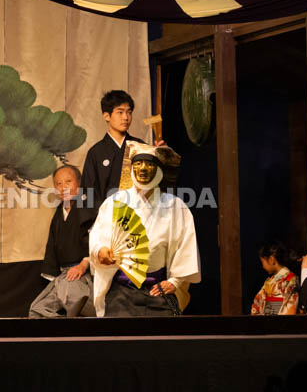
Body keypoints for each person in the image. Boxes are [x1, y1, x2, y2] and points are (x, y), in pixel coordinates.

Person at [89, 143, 200, 316]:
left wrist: (175, 281)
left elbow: (185, 246)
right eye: (138, 164)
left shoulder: (175, 206)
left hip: (158, 289)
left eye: (149, 164)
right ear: (131, 168)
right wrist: (99, 250)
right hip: (121, 289)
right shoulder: (115, 201)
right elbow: (98, 235)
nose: (143, 169)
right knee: (120, 340)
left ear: (158, 169)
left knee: (161, 340)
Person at [28, 165, 96, 317]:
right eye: (58, 184)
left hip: (83, 274)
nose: (63, 187)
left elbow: (99, 243)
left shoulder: (90, 210)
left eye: (68, 181)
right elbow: (52, 246)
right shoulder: (59, 213)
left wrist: (84, 265)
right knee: (36, 310)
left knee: (75, 305)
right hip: (64, 276)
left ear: (79, 185)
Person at [80, 90, 140, 209]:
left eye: (129, 112)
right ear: (107, 116)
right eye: (120, 112)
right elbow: (89, 191)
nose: (126, 117)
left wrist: (160, 156)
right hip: (107, 218)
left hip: (138, 215)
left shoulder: (139, 146)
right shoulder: (96, 153)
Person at [251, 241, 300, 316]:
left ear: (271, 260)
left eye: (262, 262)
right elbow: (257, 303)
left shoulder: (290, 279)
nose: (263, 266)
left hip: (280, 324)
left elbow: (290, 310)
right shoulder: (270, 281)